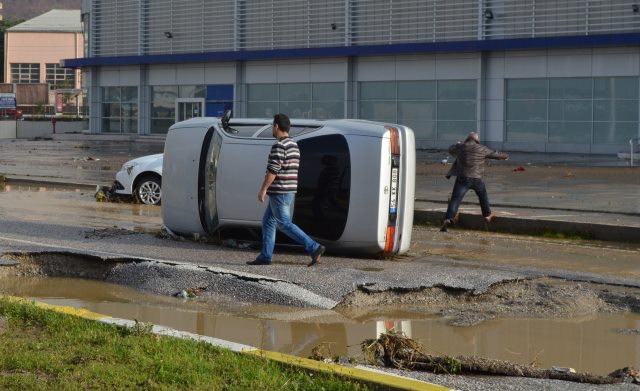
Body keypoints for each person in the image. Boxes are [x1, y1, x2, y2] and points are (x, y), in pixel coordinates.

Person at [247, 113, 325, 267]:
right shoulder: (294, 146)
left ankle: (314, 247)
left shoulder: (279, 146)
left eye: (272, 125)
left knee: (284, 223)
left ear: (276, 126)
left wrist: (263, 190)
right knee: (268, 221)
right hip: (288, 191)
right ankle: (265, 256)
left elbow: (273, 171)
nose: (272, 128)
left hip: (279, 192)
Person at [441, 131, 508, 232]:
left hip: (462, 178)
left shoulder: (460, 147)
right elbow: (497, 154)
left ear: (467, 139)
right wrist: (506, 156)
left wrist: (457, 144)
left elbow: (450, 150)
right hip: (477, 179)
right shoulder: (482, 148)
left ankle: (449, 218)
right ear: (477, 140)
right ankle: (487, 215)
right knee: (483, 196)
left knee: (455, 199)